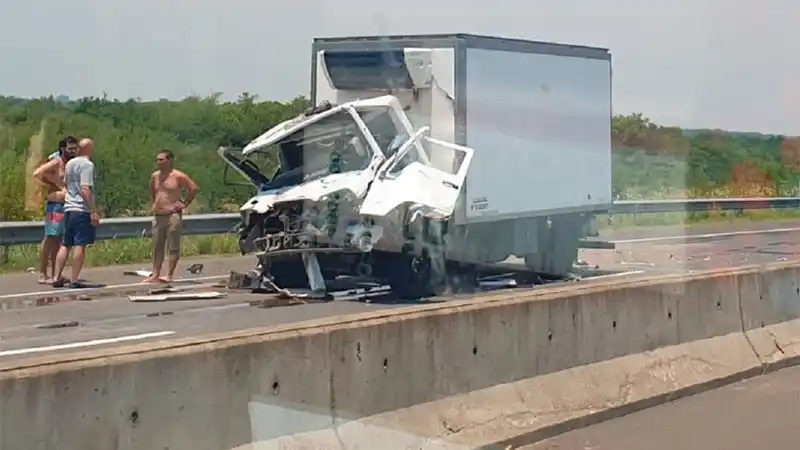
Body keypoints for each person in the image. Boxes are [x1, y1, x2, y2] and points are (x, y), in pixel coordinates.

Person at [144, 150, 198, 283]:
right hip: (159, 215)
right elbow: (153, 191)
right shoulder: (155, 176)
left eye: (162, 160)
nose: (159, 162)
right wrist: (155, 204)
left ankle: (169, 274)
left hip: (173, 214)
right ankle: (155, 274)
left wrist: (184, 204)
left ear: (170, 160)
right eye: (157, 160)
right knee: (157, 245)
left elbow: (193, 188)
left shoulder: (178, 175)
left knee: (173, 245)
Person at [53, 138, 100, 288]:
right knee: (80, 244)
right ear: (90, 149)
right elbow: (85, 188)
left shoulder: (70, 164)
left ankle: (56, 277)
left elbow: (66, 182)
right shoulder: (87, 165)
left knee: (65, 244)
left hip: (68, 207)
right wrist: (93, 210)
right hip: (81, 209)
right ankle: (74, 279)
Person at [31, 137, 78, 284]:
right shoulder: (57, 161)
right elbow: (37, 173)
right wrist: (54, 183)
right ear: (63, 148)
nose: (73, 151)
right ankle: (43, 273)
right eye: (70, 148)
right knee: (50, 238)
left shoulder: (69, 163)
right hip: (56, 205)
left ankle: (55, 274)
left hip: (65, 204)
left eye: (74, 148)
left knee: (59, 239)